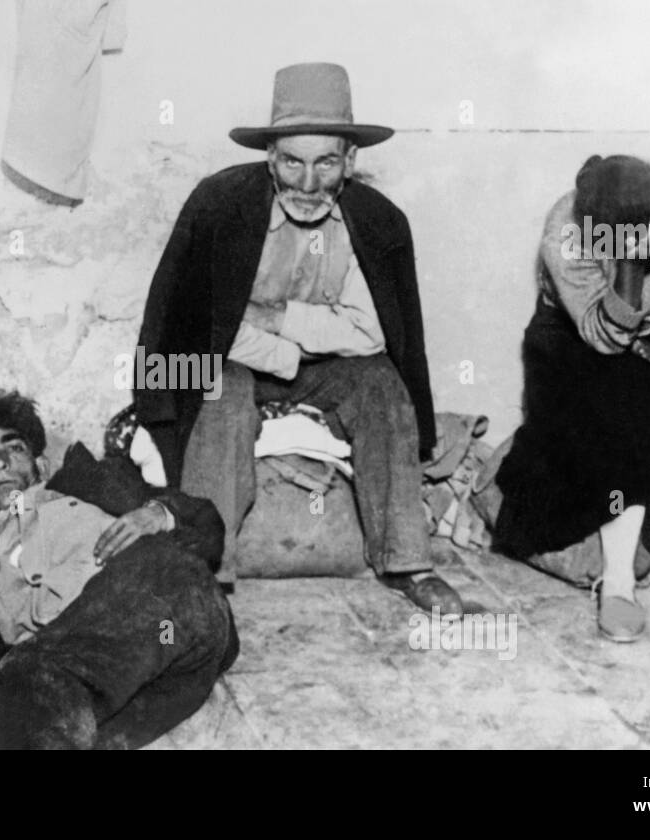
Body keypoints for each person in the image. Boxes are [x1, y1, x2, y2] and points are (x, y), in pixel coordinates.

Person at [133, 62, 462, 614]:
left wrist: (275, 316)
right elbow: (202, 334)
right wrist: (291, 347)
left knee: (380, 385)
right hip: (232, 363)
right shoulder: (219, 207)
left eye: (326, 162)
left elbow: (371, 336)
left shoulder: (379, 223)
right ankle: (205, 569)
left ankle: (408, 562)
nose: (307, 184)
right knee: (217, 387)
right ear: (270, 158)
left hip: (319, 365)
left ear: (351, 161)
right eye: (292, 161)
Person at [0, 387, 239, 749]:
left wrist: (158, 514)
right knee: (11, 712)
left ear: (41, 467)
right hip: (103, 676)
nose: (0, 461)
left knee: (33, 676)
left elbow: (207, 523)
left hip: (173, 612)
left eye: (14, 449)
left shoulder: (95, 481)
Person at [493, 154, 650, 642]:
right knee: (613, 402)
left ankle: (619, 586)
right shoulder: (565, 225)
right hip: (571, 332)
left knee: (636, 396)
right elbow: (601, 336)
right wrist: (631, 264)